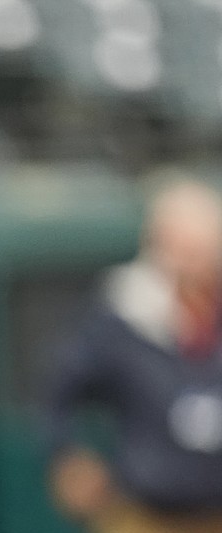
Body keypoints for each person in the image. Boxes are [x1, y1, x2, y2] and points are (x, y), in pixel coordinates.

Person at [44, 179, 222, 533]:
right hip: (144, 513)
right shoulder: (124, 314)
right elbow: (58, 390)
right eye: (178, 247)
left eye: (199, 249)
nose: (189, 264)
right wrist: (68, 457)